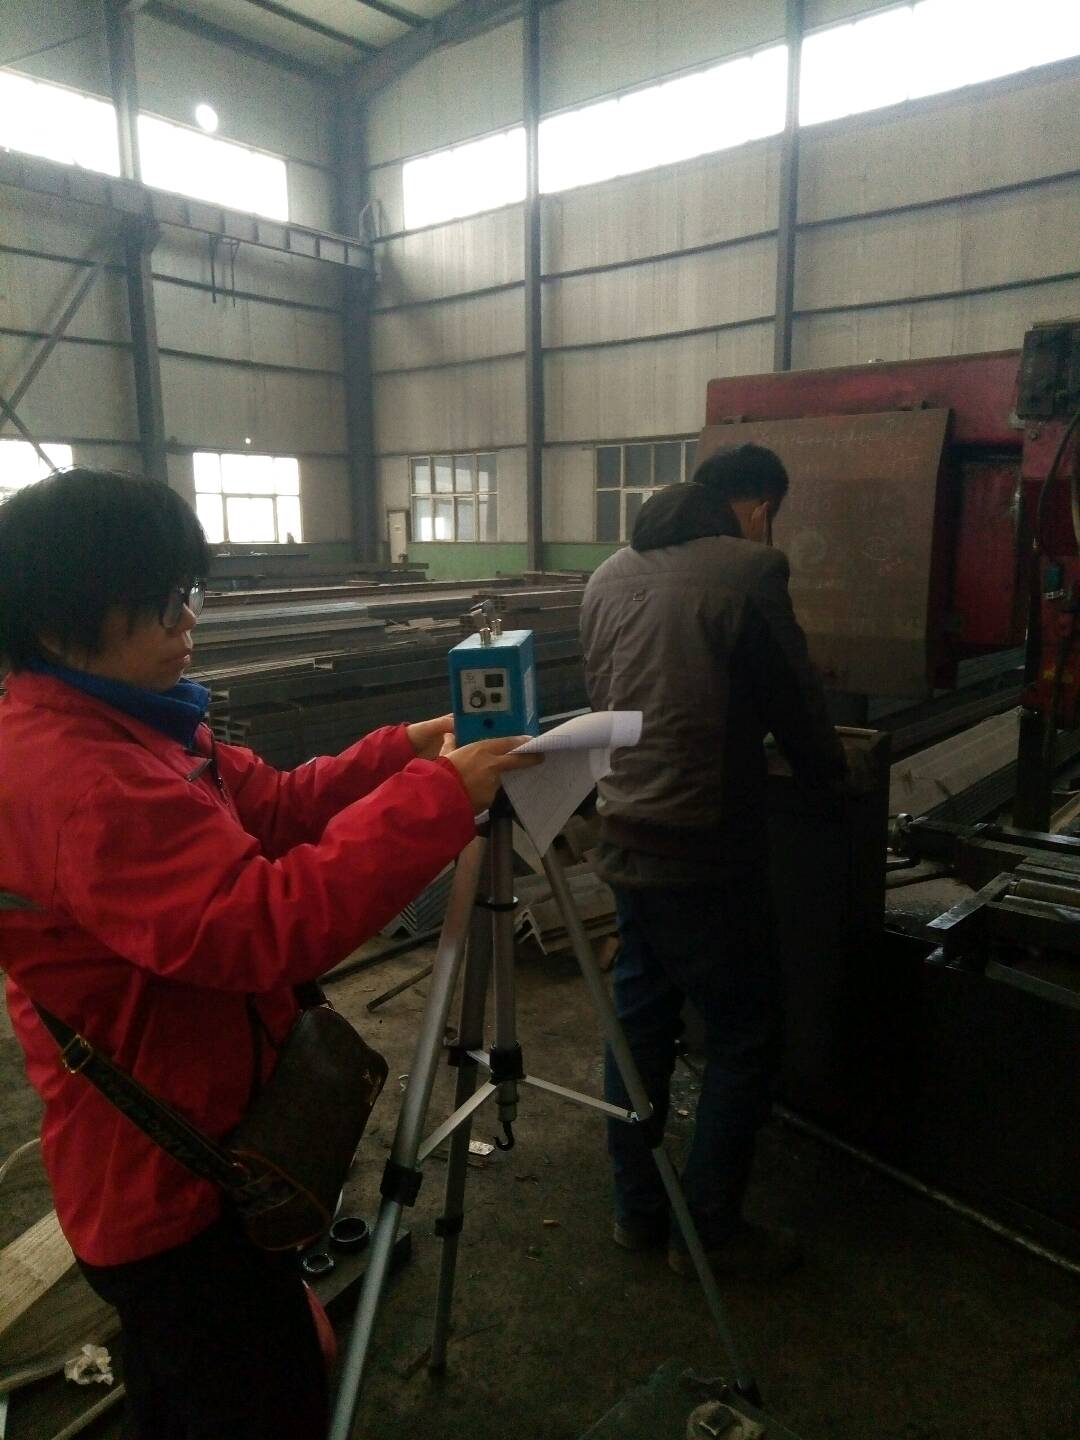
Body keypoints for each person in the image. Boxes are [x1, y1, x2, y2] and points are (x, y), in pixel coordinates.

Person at [0, 468, 539, 1440]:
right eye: (158, 601)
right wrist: (438, 799)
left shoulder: (140, 727)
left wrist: (408, 751)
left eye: (186, 593)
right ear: (57, 622)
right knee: (250, 1401)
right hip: (168, 1183)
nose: (185, 620)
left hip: (219, 1133)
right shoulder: (81, 780)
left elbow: (280, 806)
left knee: (200, 1391)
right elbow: (261, 926)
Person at [579, 444, 845, 1281]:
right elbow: (794, 702)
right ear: (759, 506)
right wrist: (829, 782)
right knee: (744, 1036)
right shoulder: (751, 570)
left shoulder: (606, 576)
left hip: (625, 836)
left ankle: (636, 1214)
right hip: (706, 851)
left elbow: (609, 698)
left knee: (638, 1029)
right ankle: (711, 1234)